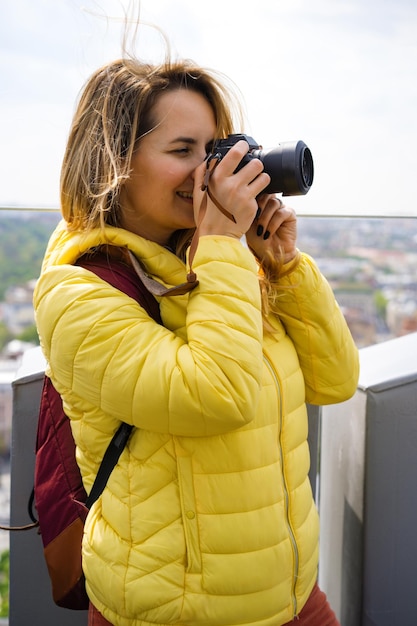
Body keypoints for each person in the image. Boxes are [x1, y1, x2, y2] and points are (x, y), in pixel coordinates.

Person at [33, 53, 359, 626]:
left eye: (212, 151)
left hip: (292, 597)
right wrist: (224, 246)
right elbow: (217, 396)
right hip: (172, 612)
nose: (206, 172)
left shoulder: (218, 266)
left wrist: (283, 265)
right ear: (115, 162)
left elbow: (336, 379)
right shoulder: (77, 293)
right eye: (182, 151)